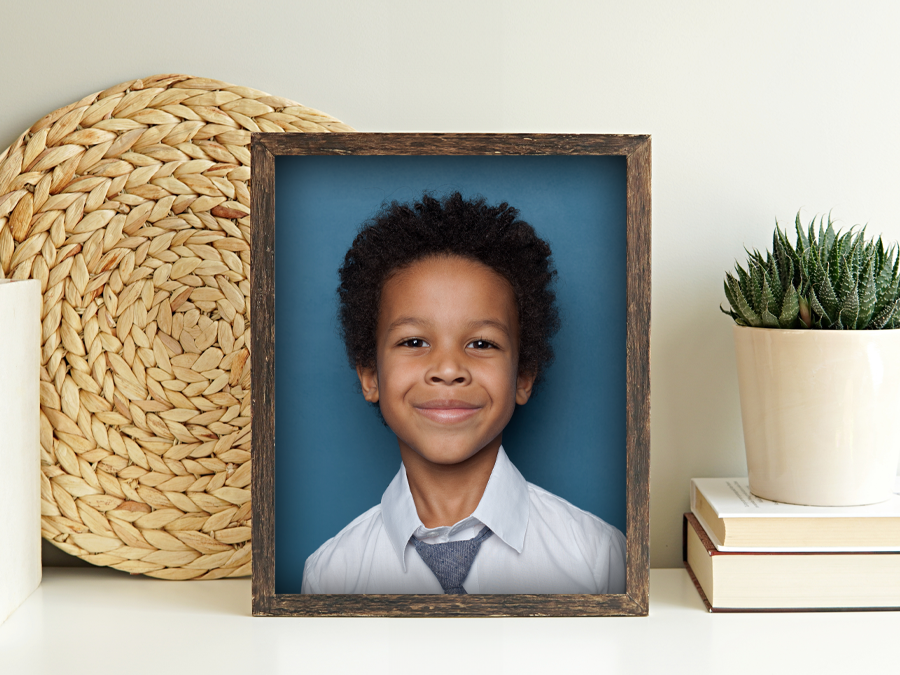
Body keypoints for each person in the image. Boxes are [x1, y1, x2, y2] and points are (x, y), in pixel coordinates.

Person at [301, 192, 626, 594]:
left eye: (482, 343)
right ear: (370, 376)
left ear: (523, 376)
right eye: (415, 342)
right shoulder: (330, 575)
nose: (449, 370)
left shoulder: (600, 559)